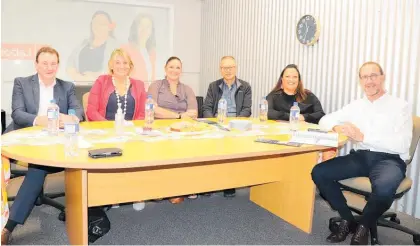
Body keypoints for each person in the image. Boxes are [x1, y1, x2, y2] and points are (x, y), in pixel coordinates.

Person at [311, 62, 412, 245]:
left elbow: (402, 143)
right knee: (319, 172)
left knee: (383, 190)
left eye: (373, 76)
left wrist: (364, 136)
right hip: (361, 157)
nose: (369, 81)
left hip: (389, 160)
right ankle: (347, 218)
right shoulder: (356, 105)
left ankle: (363, 225)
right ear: (360, 81)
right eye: (365, 77)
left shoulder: (400, 106)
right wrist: (336, 126)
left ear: (382, 77)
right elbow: (324, 120)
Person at [2, 47, 84, 245]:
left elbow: (78, 111)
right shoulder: (22, 83)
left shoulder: (67, 86)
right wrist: (41, 120)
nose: (49, 67)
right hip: (24, 138)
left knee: (38, 168)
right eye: (45, 63)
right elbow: (18, 114)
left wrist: (70, 117)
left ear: (58, 65)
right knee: (37, 168)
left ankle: (7, 227)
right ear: (36, 64)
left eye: (53, 64)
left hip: (54, 142)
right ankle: (8, 223)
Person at [147, 56, 198, 204]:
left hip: (183, 130)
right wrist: (179, 115)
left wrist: (180, 118)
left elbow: (193, 113)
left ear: (181, 71)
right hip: (159, 128)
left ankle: (182, 187)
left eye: (178, 67)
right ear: (165, 69)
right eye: (171, 67)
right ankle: (162, 189)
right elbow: (153, 110)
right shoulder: (155, 86)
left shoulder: (187, 89)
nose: (174, 70)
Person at [202, 56, 252, 198]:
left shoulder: (245, 86)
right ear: (220, 70)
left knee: (232, 149)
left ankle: (228, 183)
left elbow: (247, 109)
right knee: (210, 151)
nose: (228, 70)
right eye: (225, 68)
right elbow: (207, 107)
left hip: (236, 126)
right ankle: (209, 184)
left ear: (236, 68)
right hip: (217, 124)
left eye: (231, 67)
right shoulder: (213, 86)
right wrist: (213, 123)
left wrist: (235, 124)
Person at [86, 48, 146, 121]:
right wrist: (108, 126)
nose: (122, 66)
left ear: (130, 66)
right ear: (111, 66)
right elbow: (91, 111)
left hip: (131, 130)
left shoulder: (139, 85)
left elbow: (142, 114)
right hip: (105, 129)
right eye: (117, 63)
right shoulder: (101, 81)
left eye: (125, 63)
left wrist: (131, 128)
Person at [67, 11, 119, 82]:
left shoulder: (116, 47)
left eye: (102, 23)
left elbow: (119, 70)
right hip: (80, 88)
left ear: (109, 27)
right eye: (95, 23)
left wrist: (95, 76)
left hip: (103, 88)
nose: (98, 26)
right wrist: (78, 77)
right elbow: (70, 63)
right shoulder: (83, 44)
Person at [122, 13, 156, 91]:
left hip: (148, 97)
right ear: (135, 28)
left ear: (151, 30)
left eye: (148, 27)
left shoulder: (152, 52)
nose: (144, 30)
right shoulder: (125, 49)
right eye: (141, 26)